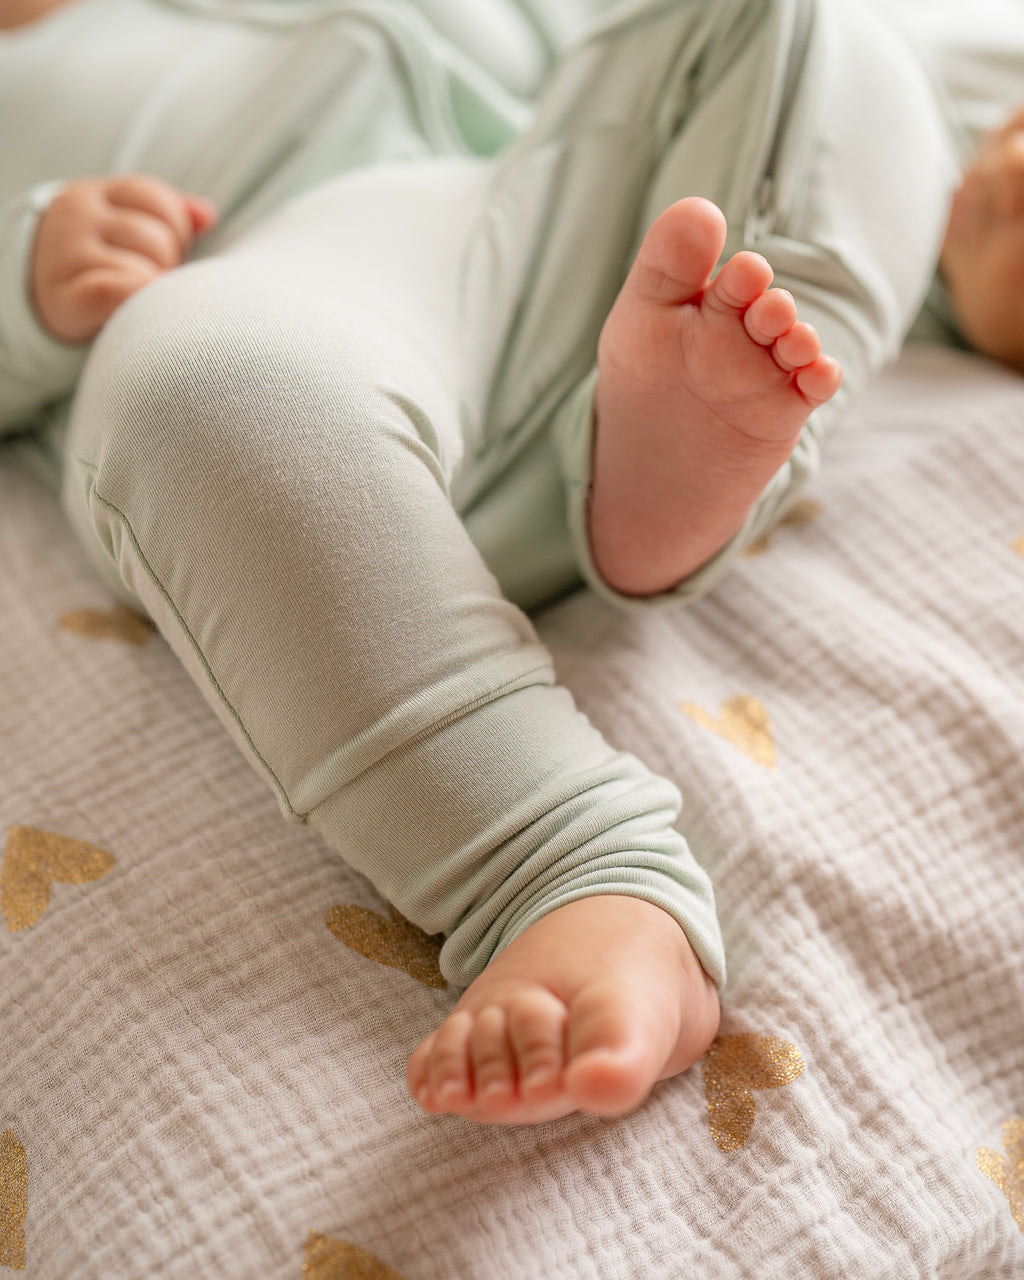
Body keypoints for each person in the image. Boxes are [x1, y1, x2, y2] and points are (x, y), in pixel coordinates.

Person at [1, 0, 963, 1124]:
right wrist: (24, 280)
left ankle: (665, 462)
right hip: (308, 300)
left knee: (812, 22)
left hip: (557, 243)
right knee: (198, 387)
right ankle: (558, 863)